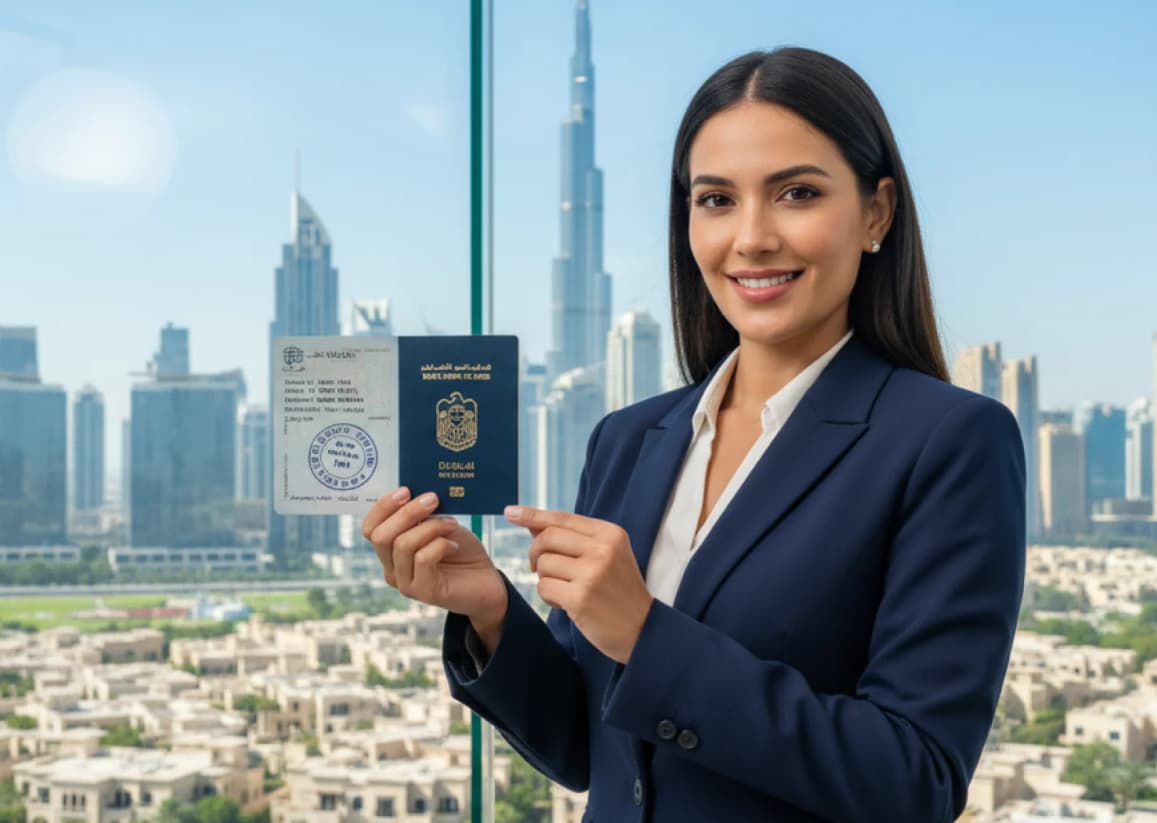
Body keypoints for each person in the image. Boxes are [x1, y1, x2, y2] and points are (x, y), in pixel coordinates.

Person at [360, 47, 1026, 822]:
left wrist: (646, 632)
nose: (751, 238)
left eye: (797, 193)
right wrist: (492, 613)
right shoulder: (629, 437)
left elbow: (914, 780)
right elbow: (588, 748)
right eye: (716, 199)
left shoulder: (950, 443)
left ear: (876, 212)